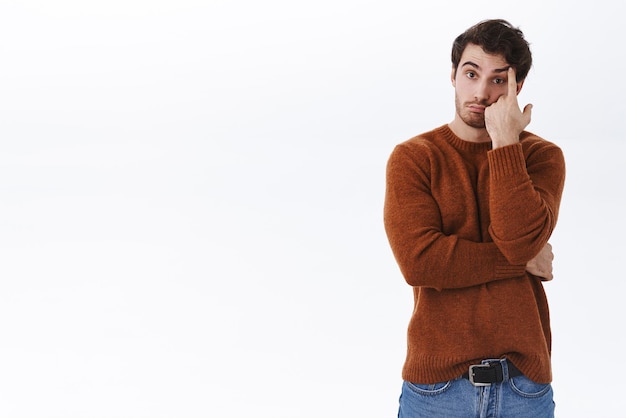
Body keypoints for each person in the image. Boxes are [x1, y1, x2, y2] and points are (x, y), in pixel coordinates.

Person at [384, 19, 565, 417]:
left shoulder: (541, 157)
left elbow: (517, 238)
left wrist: (504, 142)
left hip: (524, 388)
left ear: (518, 89)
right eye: (471, 74)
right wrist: (518, 263)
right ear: (453, 76)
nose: (482, 92)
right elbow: (420, 262)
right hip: (435, 391)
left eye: (499, 80)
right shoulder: (414, 158)